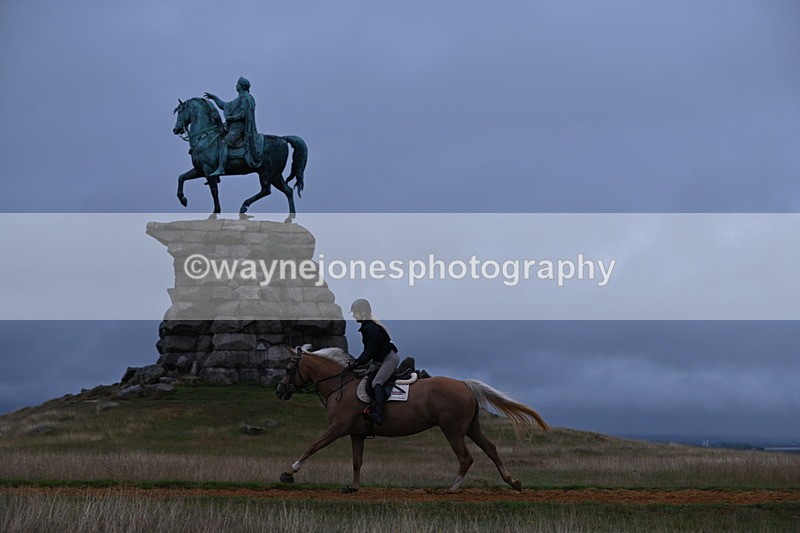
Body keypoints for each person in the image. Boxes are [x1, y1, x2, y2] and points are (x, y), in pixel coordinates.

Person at [349, 298, 399, 425]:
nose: (354, 315)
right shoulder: (367, 327)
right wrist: (358, 362)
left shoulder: (371, 328)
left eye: (355, 312)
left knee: (376, 382)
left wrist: (356, 363)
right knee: (368, 380)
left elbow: (369, 351)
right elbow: (368, 351)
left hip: (389, 359)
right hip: (380, 359)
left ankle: (379, 415)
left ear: (363, 313)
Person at [204, 76, 264, 176]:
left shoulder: (246, 99)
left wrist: (230, 118)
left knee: (224, 143)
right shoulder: (238, 99)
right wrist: (214, 98)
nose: (236, 85)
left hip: (239, 130)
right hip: (233, 129)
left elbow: (243, 114)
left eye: (237, 84)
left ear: (242, 86)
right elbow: (224, 105)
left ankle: (221, 168)